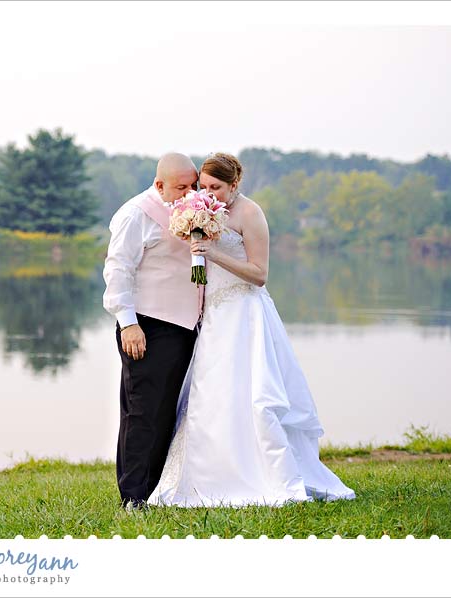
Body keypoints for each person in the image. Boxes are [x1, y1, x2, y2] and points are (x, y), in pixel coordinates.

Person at [147, 152, 356, 508]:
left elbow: (260, 275)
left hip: (245, 313)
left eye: (216, 187)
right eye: (203, 186)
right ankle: (208, 476)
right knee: (210, 397)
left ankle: (268, 474)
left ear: (235, 184)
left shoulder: (250, 213)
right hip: (213, 316)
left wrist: (213, 254)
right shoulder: (202, 207)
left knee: (255, 397)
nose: (208, 193)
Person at [102, 153, 204, 511]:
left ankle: (157, 488)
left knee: (166, 411)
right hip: (146, 325)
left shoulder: (193, 210)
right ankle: (133, 496)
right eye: (181, 187)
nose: (189, 192)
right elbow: (118, 270)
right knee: (142, 411)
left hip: (182, 328)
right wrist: (128, 323)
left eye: (192, 184)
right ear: (159, 184)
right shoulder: (135, 214)